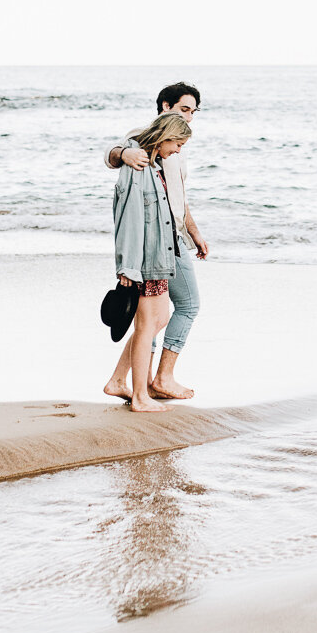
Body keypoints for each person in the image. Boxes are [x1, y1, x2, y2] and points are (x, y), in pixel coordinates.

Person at [104, 82, 209, 402]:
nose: (189, 118)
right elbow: (110, 156)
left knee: (152, 315)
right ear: (165, 106)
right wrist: (124, 152)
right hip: (157, 241)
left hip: (174, 235)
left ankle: (123, 380)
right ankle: (160, 378)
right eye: (183, 109)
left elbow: (177, 197)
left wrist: (194, 232)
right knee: (182, 307)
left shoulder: (176, 146)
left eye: (193, 112)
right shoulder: (144, 139)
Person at [109, 113, 192, 413]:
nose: (179, 151)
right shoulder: (137, 163)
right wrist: (127, 268)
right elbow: (129, 219)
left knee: (157, 321)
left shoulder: (152, 164)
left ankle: (120, 382)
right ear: (165, 135)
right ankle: (140, 397)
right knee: (147, 327)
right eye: (178, 143)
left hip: (157, 258)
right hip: (143, 262)